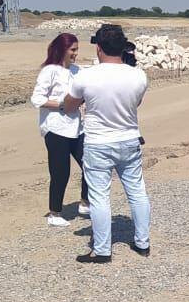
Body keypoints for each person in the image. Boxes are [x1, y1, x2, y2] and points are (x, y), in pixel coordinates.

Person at [64, 23, 150, 262]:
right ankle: (142, 242)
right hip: (129, 139)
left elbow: (69, 105)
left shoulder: (86, 76)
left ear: (98, 48)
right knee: (137, 192)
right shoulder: (138, 75)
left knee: (99, 196)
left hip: (98, 142)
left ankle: (102, 249)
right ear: (123, 48)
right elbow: (136, 103)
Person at [31, 33, 90, 226]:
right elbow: (37, 99)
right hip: (55, 128)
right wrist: (63, 105)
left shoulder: (78, 71)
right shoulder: (50, 71)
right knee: (60, 172)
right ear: (62, 49)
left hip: (77, 128)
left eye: (77, 49)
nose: (76, 53)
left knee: (90, 164)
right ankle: (54, 213)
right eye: (73, 49)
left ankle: (85, 202)